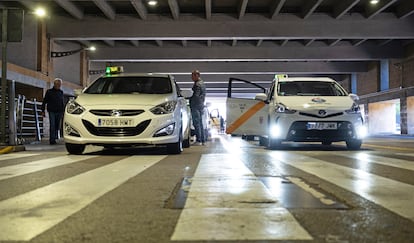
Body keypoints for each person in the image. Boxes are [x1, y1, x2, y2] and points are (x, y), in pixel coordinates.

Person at [41, 78, 65, 145]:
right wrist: (42, 110)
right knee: (52, 125)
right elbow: (44, 101)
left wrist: (63, 111)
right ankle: (52, 140)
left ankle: (55, 136)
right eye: (57, 84)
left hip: (59, 111)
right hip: (52, 111)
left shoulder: (61, 92)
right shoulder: (49, 92)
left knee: (57, 126)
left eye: (60, 84)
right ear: (54, 84)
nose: (59, 85)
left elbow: (62, 102)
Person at [189, 70, 207, 145]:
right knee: (201, 123)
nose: (191, 77)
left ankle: (198, 140)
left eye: (193, 76)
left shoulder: (197, 84)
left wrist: (189, 98)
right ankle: (203, 140)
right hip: (201, 105)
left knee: (196, 123)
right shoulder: (202, 83)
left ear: (197, 75)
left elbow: (196, 95)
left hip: (196, 105)